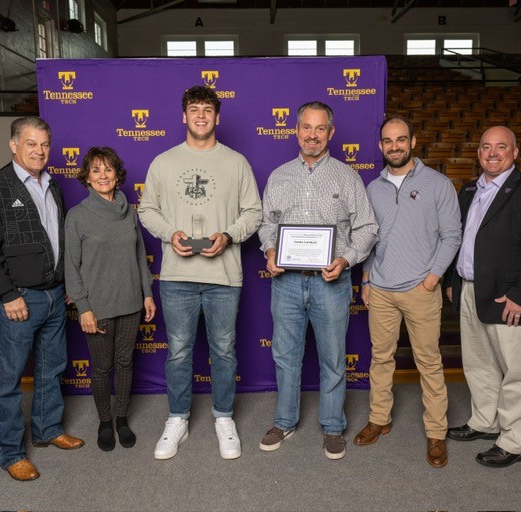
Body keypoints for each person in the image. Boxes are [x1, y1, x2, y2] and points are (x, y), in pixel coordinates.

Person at [138, 85, 262, 460]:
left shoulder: (237, 162)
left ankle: (223, 416)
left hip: (224, 277)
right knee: (178, 352)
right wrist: (169, 232)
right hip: (177, 277)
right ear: (184, 116)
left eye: (208, 109)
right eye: (194, 109)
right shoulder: (163, 161)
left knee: (224, 350)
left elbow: (253, 214)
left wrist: (227, 235)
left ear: (217, 117)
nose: (201, 115)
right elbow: (146, 210)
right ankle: (178, 418)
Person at [257, 101, 378, 460]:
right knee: (286, 355)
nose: (312, 135)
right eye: (306, 128)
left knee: (333, 358)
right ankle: (285, 420)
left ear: (331, 132)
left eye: (320, 128)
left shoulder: (347, 177)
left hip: (331, 282)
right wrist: (269, 250)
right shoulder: (279, 176)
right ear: (296, 131)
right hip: (287, 283)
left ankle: (333, 426)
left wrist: (346, 259)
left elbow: (368, 227)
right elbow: (267, 224)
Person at [0, 116, 84, 482]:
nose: (39, 151)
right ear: (13, 145)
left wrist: (65, 281)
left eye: (44, 144)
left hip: (54, 295)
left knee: (52, 370)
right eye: (31, 143)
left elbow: (60, 238)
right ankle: (9, 452)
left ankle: (48, 429)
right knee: (9, 380)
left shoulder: (54, 186)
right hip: (18, 300)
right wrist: (6, 295)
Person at [445, 126, 521, 468]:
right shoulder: (468, 190)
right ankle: (485, 421)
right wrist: (454, 280)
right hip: (469, 290)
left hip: (509, 298)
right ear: (478, 152)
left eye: (500, 147)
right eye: (485, 147)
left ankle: (514, 441)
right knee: (479, 365)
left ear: (515, 152)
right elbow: (458, 239)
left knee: (516, 372)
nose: (492, 153)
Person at [353, 114, 461, 468]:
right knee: (380, 359)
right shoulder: (373, 188)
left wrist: (432, 279)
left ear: (413, 142)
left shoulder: (438, 184)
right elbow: (368, 239)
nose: (394, 146)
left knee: (428, 362)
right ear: (381, 146)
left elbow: (452, 237)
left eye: (401, 140)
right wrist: (367, 278)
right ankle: (379, 419)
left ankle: (436, 433)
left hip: (421, 289)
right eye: (387, 141)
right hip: (381, 290)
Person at [64, 147, 156, 452]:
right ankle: (104, 421)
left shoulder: (130, 211)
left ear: (117, 175)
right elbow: (71, 267)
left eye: (108, 170)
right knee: (103, 367)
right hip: (98, 307)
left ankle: (121, 418)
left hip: (130, 302)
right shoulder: (77, 216)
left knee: (125, 363)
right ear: (87, 178)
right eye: (96, 171)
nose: (103, 176)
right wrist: (84, 308)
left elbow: (140, 257)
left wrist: (147, 294)